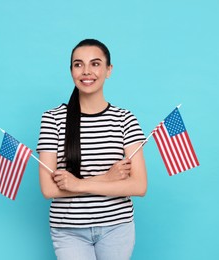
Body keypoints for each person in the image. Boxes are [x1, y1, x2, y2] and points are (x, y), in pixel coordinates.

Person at [36, 39, 147, 260]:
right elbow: (48, 190)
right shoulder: (53, 119)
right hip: (68, 230)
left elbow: (139, 185)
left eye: (95, 64)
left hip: (117, 227)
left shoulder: (125, 119)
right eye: (78, 64)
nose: (86, 71)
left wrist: (77, 184)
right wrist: (107, 178)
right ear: (71, 71)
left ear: (108, 70)